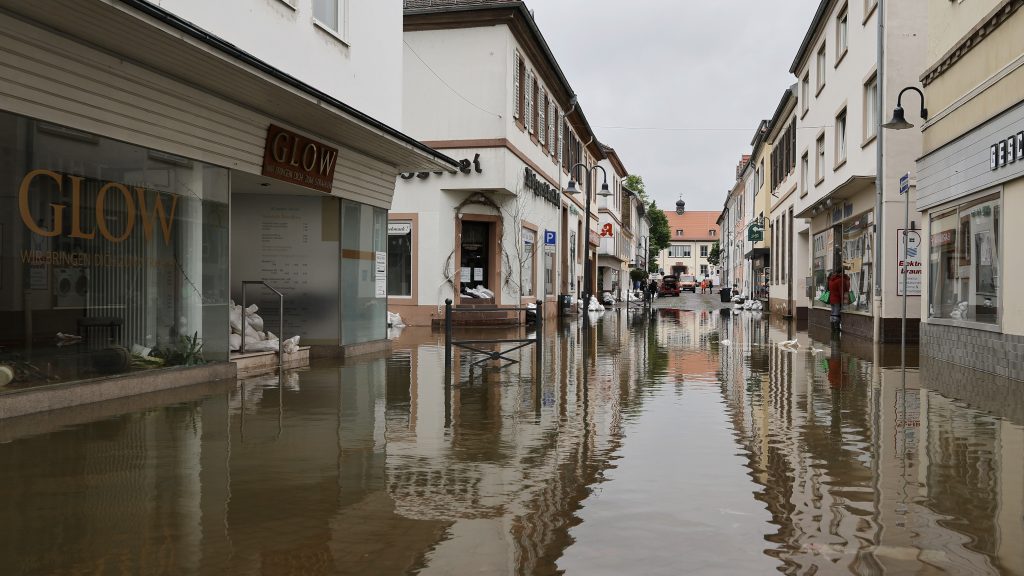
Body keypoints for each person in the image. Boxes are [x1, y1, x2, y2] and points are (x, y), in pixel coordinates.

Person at [827, 266, 852, 331]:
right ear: (841, 273)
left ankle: (833, 327)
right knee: (836, 313)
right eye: (843, 272)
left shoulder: (831, 279)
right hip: (837, 299)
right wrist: (844, 300)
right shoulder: (840, 280)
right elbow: (842, 291)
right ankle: (836, 328)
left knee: (833, 312)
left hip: (832, 299)